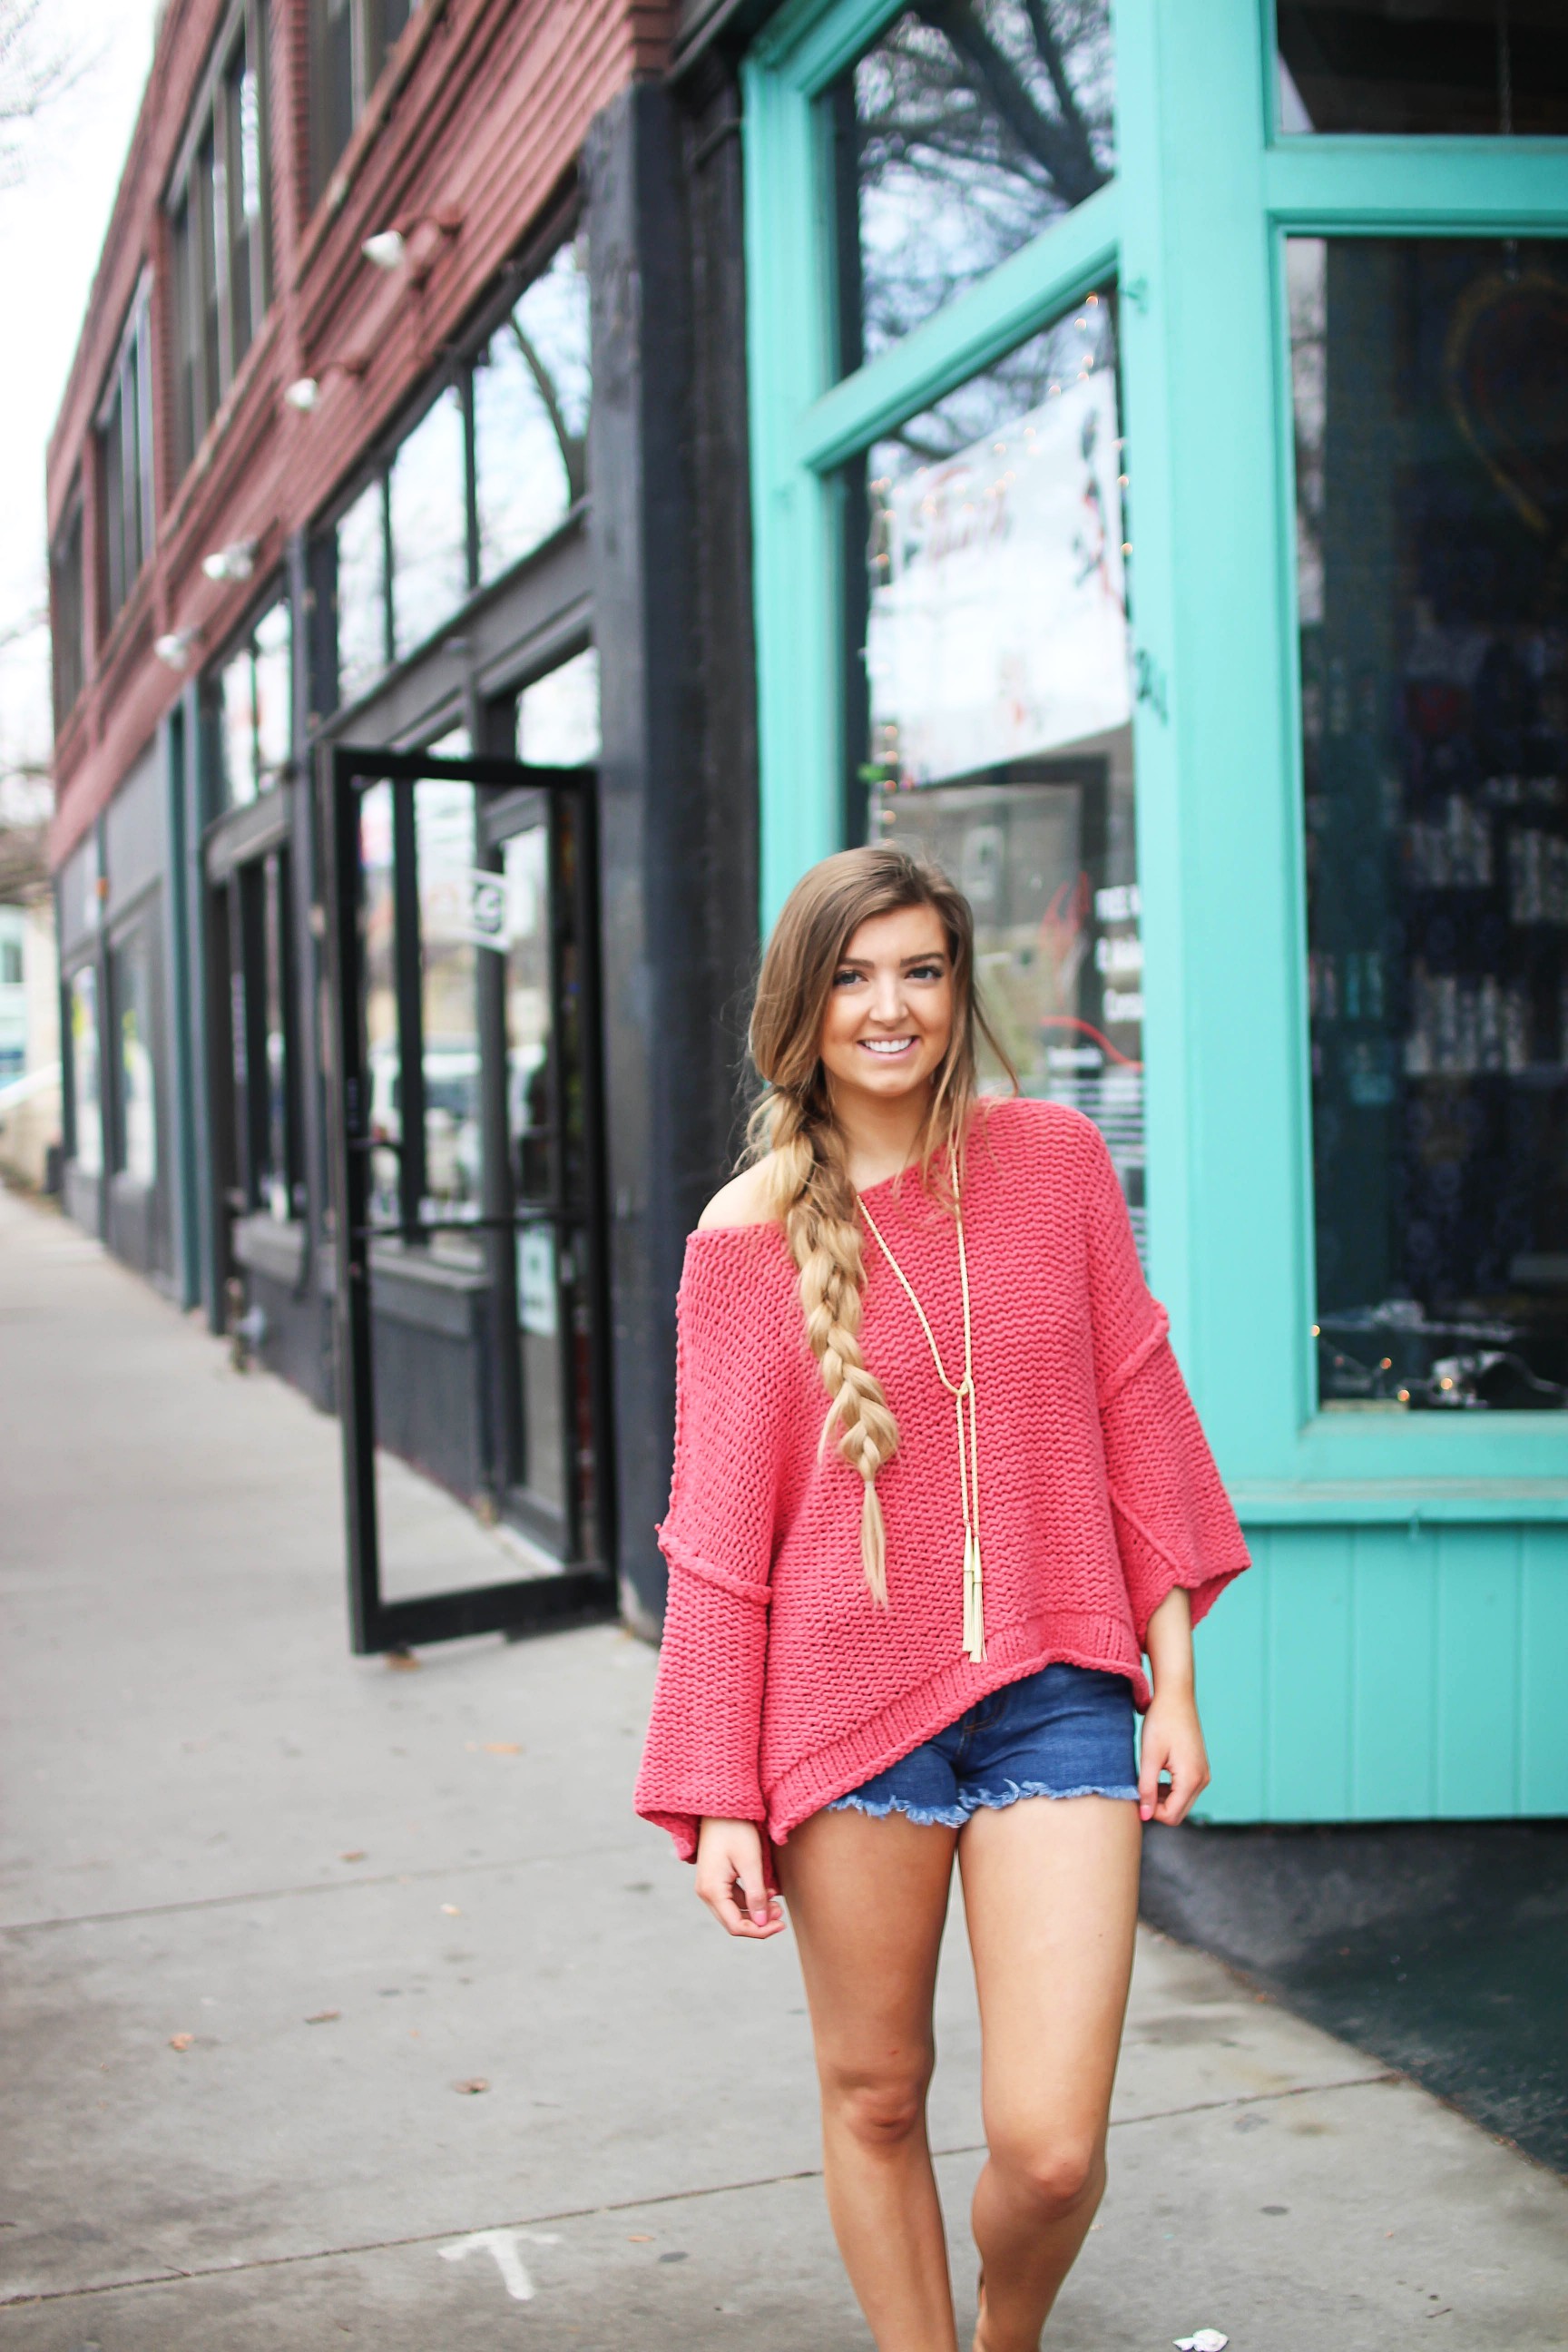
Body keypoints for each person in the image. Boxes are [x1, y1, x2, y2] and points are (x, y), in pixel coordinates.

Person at [634, 845, 1250, 2352]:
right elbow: (717, 1536)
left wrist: (1170, 1679)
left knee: (1050, 2150)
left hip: (1058, 1684)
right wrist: (719, 1791)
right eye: (852, 976)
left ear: (959, 989)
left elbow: (1138, 1413)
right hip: (846, 1716)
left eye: (919, 970)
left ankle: (1007, 2328)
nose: (889, 1007)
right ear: (803, 1006)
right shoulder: (744, 1235)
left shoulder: (1052, 1164)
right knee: (878, 2092)